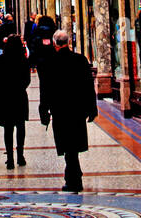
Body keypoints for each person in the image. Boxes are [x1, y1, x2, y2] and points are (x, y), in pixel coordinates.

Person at [38, 29, 98, 193]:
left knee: (68, 145)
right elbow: (88, 86)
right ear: (68, 43)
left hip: (60, 110)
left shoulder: (49, 62)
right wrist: (92, 108)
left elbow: (46, 90)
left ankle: (73, 179)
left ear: (55, 43)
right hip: (77, 109)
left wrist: (44, 111)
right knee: (73, 144)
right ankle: (74, 175)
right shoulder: (80, 60)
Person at [0, 34, 30, 169]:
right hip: (19, 96)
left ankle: (10, 158)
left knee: (8, 128)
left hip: (5, 97)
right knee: (20, 126)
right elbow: (27, 79)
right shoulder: (23, 60)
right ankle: (20, 155)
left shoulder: (0, 59)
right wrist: (20, 87)